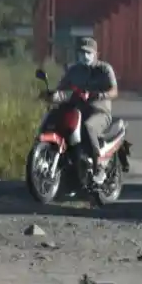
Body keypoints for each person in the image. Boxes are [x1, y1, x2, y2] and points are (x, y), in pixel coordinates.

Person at [51, 37, 118, 183]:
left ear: (96, 54)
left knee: (89, 127)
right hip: (77, 111)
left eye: (89, 52)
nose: (85, 56)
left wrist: (100, 95)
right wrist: (53, 94)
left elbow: (114, 91)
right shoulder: (74, 70)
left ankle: (98, 166)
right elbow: (62, 87)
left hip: (99, 111)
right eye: (82, 52)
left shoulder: (105, 69)